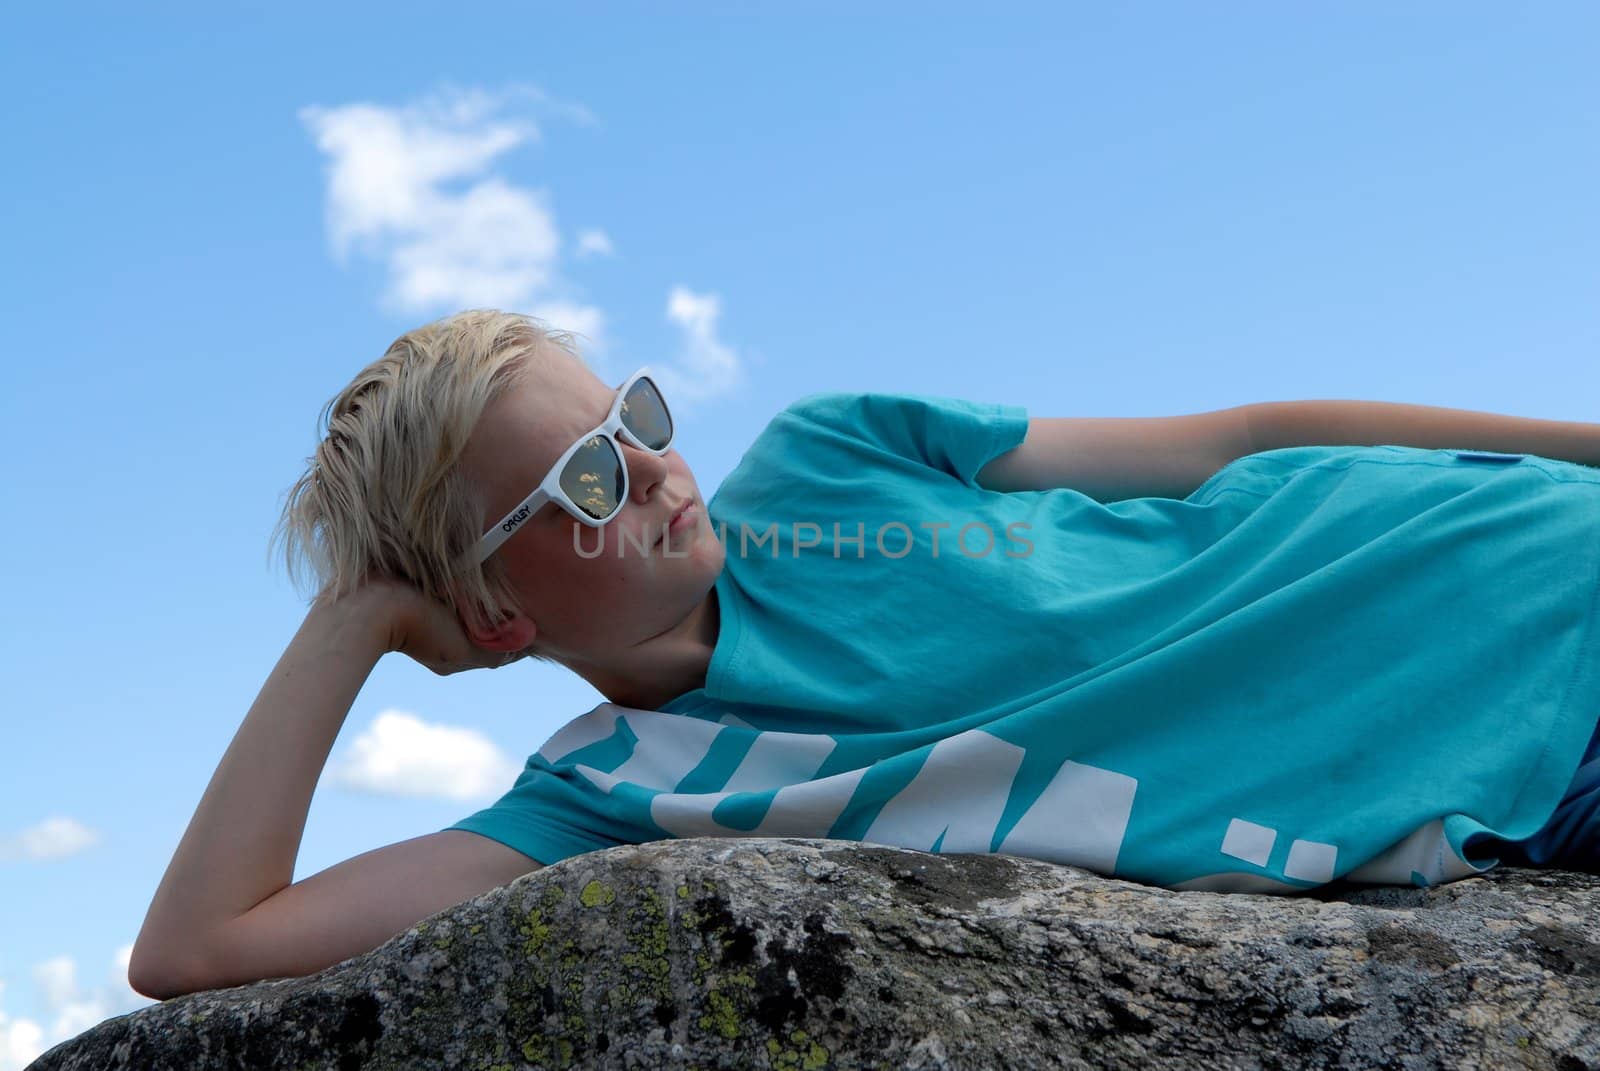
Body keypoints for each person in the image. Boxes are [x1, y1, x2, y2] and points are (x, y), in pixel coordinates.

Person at [129, 308, 1600, 1000]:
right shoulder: (616, 798)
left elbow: (1235, 446)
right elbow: (197, 950)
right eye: (579, 482)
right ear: (492, 614)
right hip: (1535, 777)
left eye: (634, 419)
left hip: (1519, 551)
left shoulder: (831, 456)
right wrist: (354, 623)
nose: (653, 472)